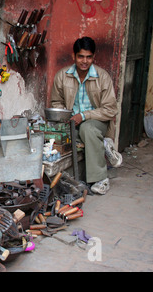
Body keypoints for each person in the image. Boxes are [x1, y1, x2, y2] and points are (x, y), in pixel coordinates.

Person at [50, 37, 121, 195]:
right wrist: (66, 116)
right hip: (72, 122)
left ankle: (101, 179)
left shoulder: (102, 77)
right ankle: (103, 144)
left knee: (88, 129)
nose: (85, 61)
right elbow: (56, 102)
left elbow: (110, 109)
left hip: (97, 122)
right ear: (73, 56)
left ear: (93, 57)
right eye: (81, 56)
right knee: (57, 135)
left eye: (89, 57)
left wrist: (84, 115)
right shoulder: (62, 76)